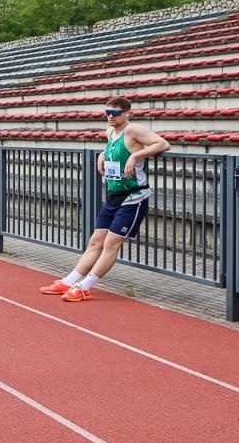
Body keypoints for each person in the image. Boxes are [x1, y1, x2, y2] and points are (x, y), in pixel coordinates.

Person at [39, 97, 171, 302]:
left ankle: (85, 286)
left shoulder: (133, 130)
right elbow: (112, 147)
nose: (110, 116)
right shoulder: (111, 131)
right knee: (95, 241)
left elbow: (163, 144)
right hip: (113, 196)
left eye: (115, 113)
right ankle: (70, 280)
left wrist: (136, 156)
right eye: (107, 112)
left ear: (127, 113)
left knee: (111, 242)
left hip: (134, 196)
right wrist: (103, 154)